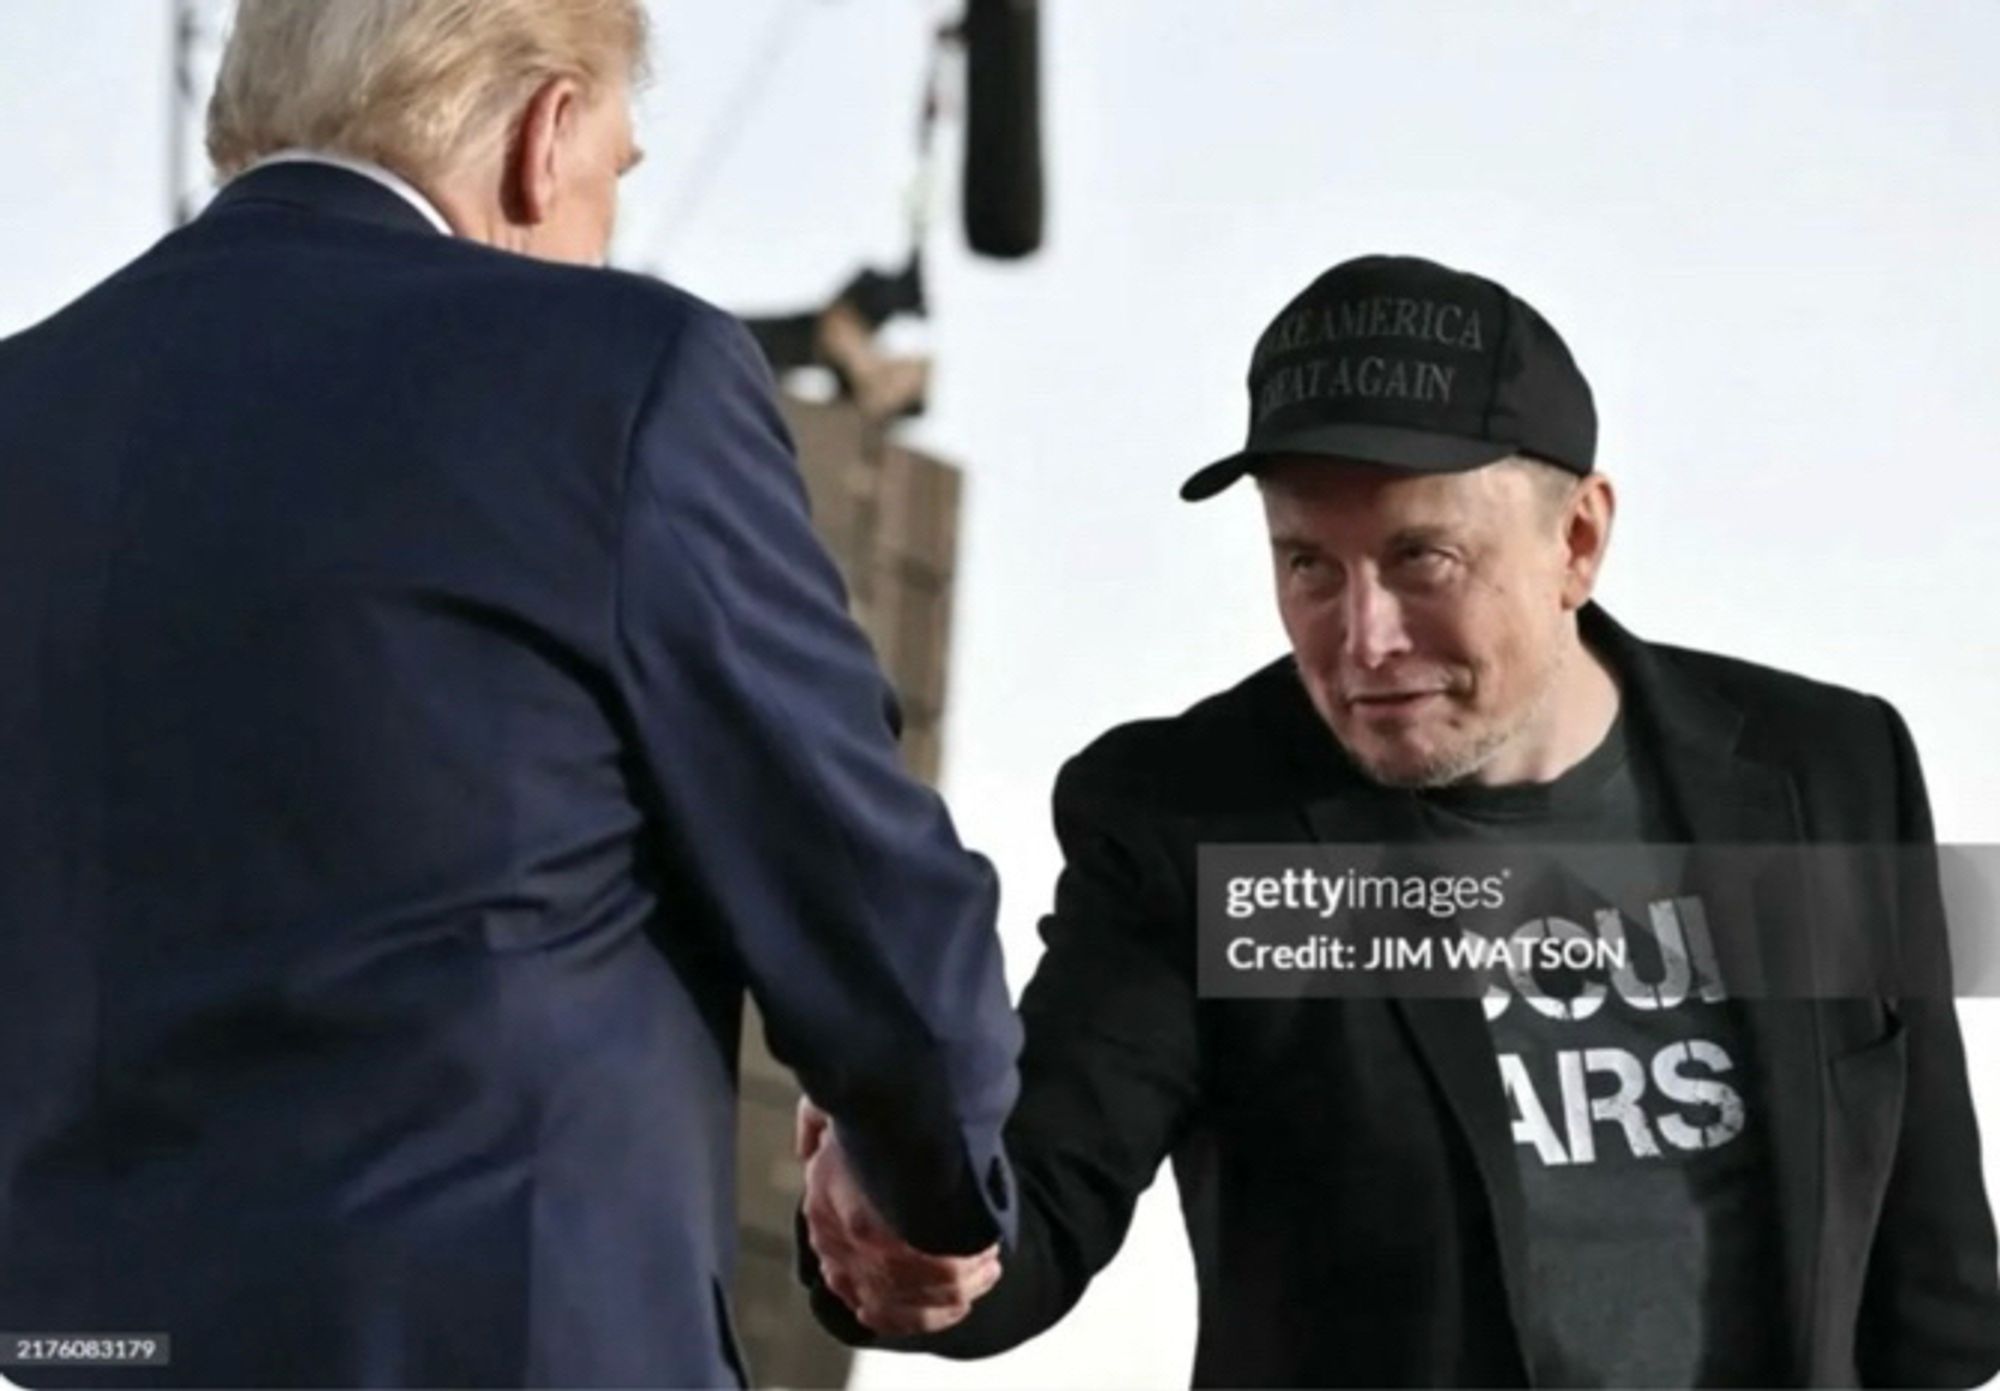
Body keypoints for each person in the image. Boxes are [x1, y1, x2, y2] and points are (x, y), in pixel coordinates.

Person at [0, 2, 1020, 1386]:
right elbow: (855, 875)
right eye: (617, 165)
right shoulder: (621, 378)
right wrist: (935, 1178)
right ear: (545, 137)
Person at [799, 254, 2000, 1387]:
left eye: (1420, 557)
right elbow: (1040, 1199)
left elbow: (1930, 1277)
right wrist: (915, 1213)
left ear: (1575, 538)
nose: (1361, 639)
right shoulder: (1196, 819)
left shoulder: (1825, 771)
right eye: (1308, 565)